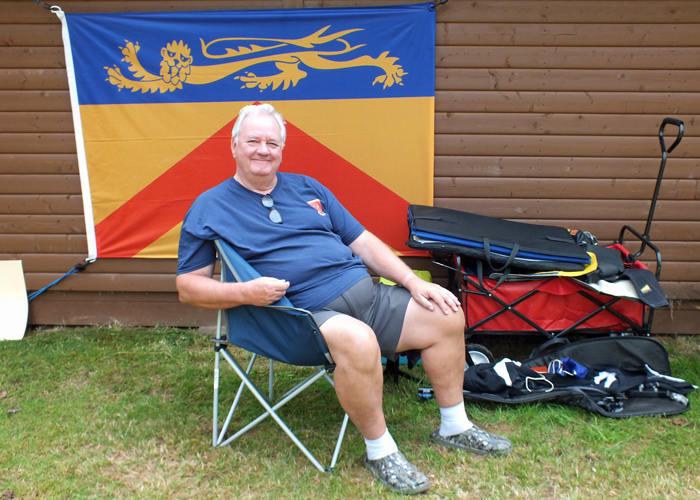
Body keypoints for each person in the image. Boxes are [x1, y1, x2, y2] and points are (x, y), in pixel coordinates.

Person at [176, 103, 512, 495]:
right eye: (253, 141)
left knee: (444, 314)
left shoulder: (308, 188)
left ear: (282, 149)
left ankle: (456, 426)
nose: (263, 150)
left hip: (368, 299)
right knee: (359, 340)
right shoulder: (209, 207)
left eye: (272, 142)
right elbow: (188, 286)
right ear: (234, 146)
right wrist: (244, 292)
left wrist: (412, 282)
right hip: (296, 316)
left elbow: (363, 241)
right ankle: (380, 450)